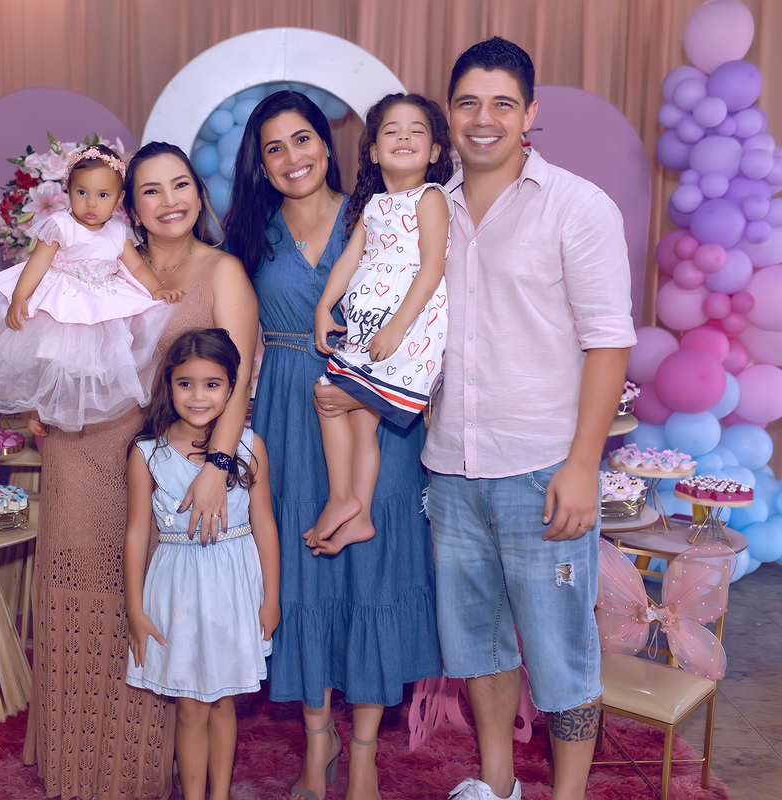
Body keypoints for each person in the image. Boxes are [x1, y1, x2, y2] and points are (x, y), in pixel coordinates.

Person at [423, 38, 635, 800]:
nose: (483, 119)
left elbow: (609, 342)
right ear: (449, 112)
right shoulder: (429, 209)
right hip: (450, 468)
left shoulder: (577, 206)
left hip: (544, 469)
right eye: (468, 103)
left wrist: (582, 466)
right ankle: (498, 784)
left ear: (529, 113)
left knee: (561, 651)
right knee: (477, 647)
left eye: (502, 104)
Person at [224, 91, 441, 800]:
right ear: (260, 164)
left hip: (373, 399)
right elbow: (226, 331)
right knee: (302, 569)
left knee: (372, 568)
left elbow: (432, 300)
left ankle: (366, 753)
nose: (293, 157)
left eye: (303, 139)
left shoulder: (374, 212)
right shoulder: (250, 234)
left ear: (328, 143)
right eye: (274, 148)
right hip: (288, 410)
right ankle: (319, 742)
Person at [25, 141, 258, 800]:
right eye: (151, 190)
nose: (169, 201)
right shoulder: (101, 259)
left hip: (170, 470)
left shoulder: (223, 272)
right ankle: (79, 767)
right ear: (130, 205)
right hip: (82, 451)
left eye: (180, 184)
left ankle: (144, 769)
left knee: (157, 611)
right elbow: (52, 334)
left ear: (199, 194)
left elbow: (239, 383)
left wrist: (218, 466)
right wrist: (43, 398)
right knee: (82, 598)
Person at [0, 143, 183, 432]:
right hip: (61, 303)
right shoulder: (61, 225)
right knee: (49, 359)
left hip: (99, 306)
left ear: (119, 198)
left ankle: (82, 410)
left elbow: (136, 267)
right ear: (68, 190)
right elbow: (37, 264)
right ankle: (36, 409)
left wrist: (155, 289)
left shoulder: (117, 231)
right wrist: (20, 296)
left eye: (103, 195)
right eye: (82, 192)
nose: (91, 203)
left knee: (93, 364)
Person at [124, 328, 281, 800]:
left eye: (212, 384)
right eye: (185, 383)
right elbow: (137, 533)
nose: (198, 396)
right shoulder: (147, 453)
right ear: (169, 385)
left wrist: (272, 598)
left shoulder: (249, 446)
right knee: (190, 706)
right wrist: (134, 608)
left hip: (234, 590)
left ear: (233, 388)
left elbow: (265, 526)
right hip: (177, 593)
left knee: (223, 702)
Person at [308, 93, 452, 556]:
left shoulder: (431, 198)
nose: (403, 137)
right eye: (392, 131)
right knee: (359, 423)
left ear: (434, 151)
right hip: (368, 326)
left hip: (407, 329)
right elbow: (350, 258)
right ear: (373, 151)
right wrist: (324, 306)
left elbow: (433, 267)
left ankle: (342, 498)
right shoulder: (373, 205)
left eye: (416, 131)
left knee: (328, 399)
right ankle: (360, 514)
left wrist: (396, 328)